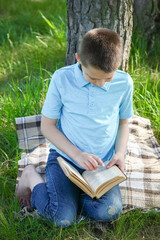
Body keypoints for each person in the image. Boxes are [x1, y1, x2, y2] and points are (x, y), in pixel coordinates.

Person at [15, 28, 134, 227]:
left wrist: (120, 153)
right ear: (78, 58)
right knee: (61, 219)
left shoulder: (124, 82)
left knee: (109, 212)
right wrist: (78, 155)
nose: (101, 84)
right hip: (66, 159)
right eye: (93, 78)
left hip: (102, 165)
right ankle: (30, 176)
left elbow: (124, 122)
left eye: (108, 78)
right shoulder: (62, 79)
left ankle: (75, 195)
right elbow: (48, 126)